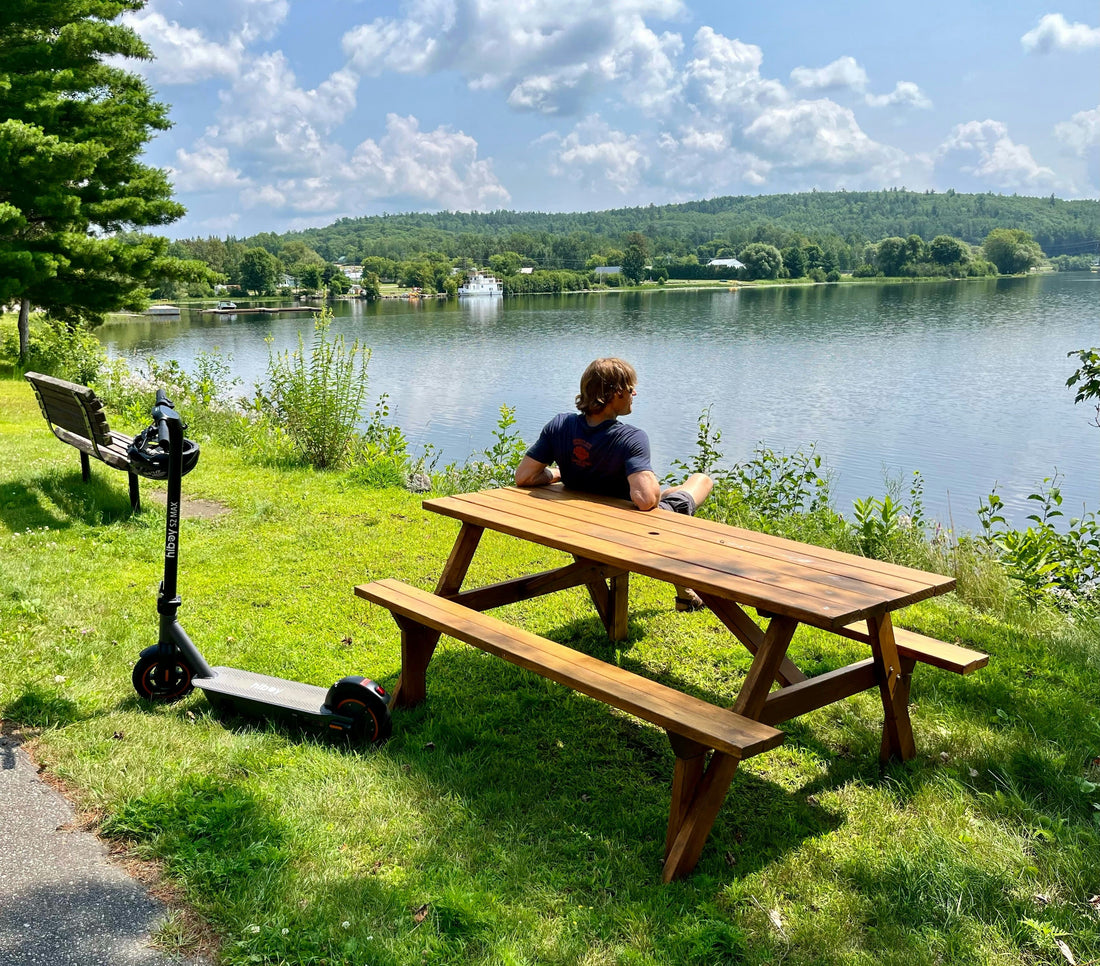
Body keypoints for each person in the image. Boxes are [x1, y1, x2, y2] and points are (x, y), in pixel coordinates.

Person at [514, 357, 713, 611]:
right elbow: (646, 501)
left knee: (668, 496)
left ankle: (685, 592)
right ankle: (686, 592)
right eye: (631, 389)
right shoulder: (630, 438)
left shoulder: (560, 425)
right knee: (700, 481)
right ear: (615, 394)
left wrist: (559, 473)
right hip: (627, 528)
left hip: (585, 522)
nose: (634, 393)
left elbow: (525, 476)